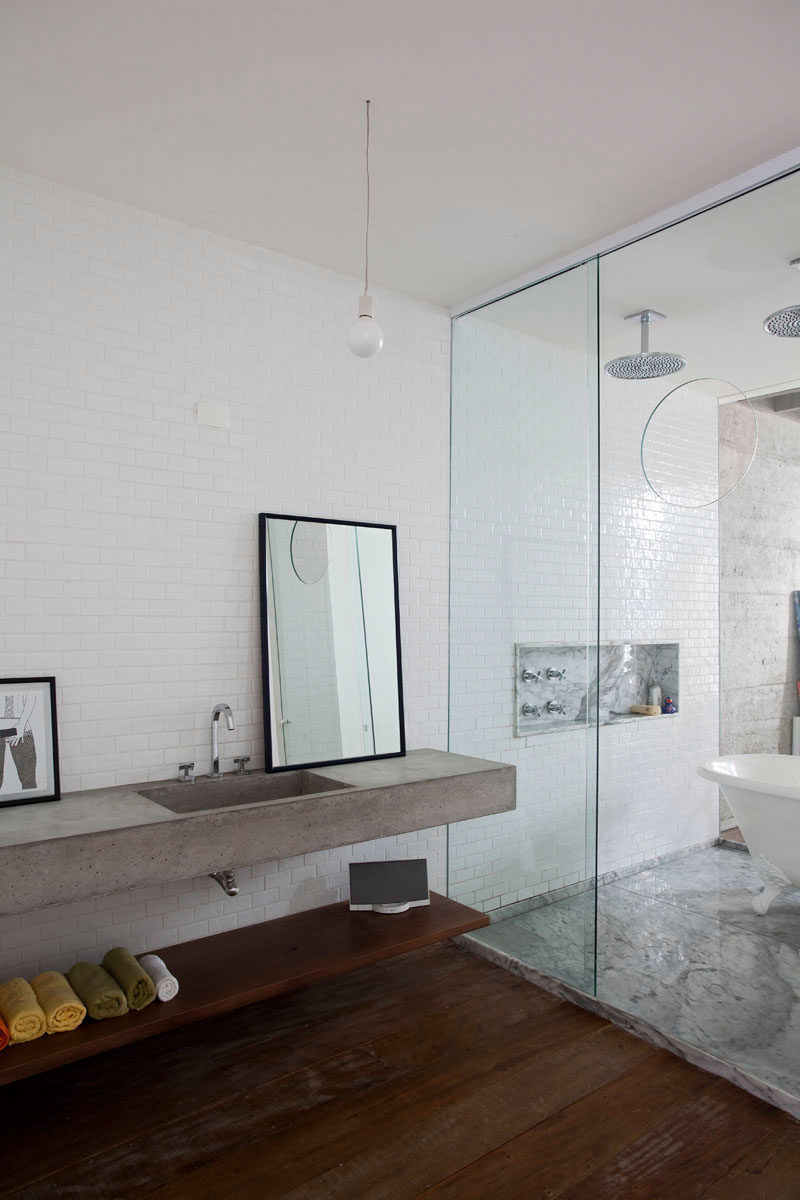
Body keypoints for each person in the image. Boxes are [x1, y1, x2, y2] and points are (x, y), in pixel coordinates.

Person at [0, 691, 38, 791]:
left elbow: (30, 696)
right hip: (15, 728)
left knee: (28, 778)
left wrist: (21, 725)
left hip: (21, 729)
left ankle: (31, 799)